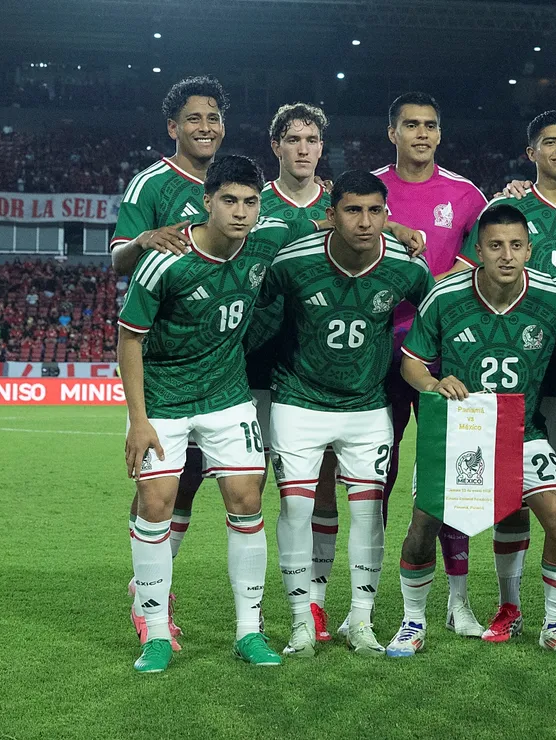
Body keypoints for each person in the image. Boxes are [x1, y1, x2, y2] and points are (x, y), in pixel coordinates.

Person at [117, 155, 318, 673]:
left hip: (228, 395)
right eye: (229, 200)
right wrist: (138, 420)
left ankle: (249, 632)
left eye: (250, 202)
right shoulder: (168, 259)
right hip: (165, 397)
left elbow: (330, 220)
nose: (241, 212)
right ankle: (156, 633)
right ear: (206, 202)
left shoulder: (268, 237)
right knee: (156, 505)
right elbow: (129, 339)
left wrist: (402, 227)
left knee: (246, 500)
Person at [385, 203, 556, 659]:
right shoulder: (446, 295)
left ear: (530, 250)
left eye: (516, 245)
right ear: (479, 250)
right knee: (423, 524)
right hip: (461, 432)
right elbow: (412, 361)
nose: (506, 255)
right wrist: (434, 383)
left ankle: (554, 625)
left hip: (525, 432)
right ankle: (413, 621)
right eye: (496, 246)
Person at [456, 110, 556, 642]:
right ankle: (509, 605)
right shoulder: (507, 210)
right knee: (510, 489)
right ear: (531, 153)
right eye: (550, 142)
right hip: (518, 373)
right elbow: (467, 273)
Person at [261, 170, 434, 658]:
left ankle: (359, 622)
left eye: (375, 211)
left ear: (387, 215)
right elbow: (257, 312)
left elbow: (440, 309)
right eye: (353, 210)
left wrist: (421, 363)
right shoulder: (293, 262)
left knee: (368, 513)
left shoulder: (404, 265)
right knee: (295, 507)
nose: (364, 221)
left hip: (366, 406)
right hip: (299, 400)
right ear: (331, 214)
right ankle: (301, 620)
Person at [111, 75, 230, 650]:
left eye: (213, 117)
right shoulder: (153, 183)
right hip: (161, 358)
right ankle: (148, 591)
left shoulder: (233, 183)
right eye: (194, 119)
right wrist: (144, 241)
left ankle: (149, 584)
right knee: (165, 482)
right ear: (173, 127)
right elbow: (116, 259)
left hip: (225, 357)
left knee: (199, 481)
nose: (204, 127)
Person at [370, 93, 490, 637]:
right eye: (410, 125)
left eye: (430, 126)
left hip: (445, 352)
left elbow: (485, 257)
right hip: (378, 347)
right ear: (391, 130)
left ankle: (458, 600)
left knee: (452, 475)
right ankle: (365, 596)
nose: (421, 133)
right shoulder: (368, 193)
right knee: (377, 473)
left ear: (440, 134)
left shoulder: (466, 195)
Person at [242, 102, 338, 642]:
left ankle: (315, 604)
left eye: (312, 139)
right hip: (256, 364)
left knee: (319, 489)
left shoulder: (340, 206)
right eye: (292, 139)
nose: (303, 148)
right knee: (253, 489)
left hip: (318, 370)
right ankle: (252, 608)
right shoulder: (254, 206)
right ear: (275, 145)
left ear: (322, 148)